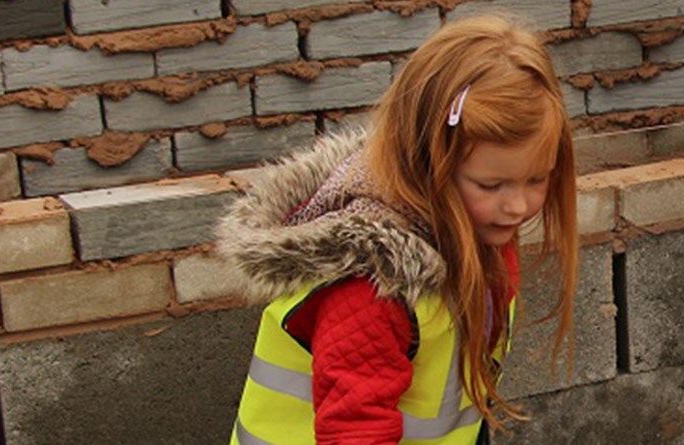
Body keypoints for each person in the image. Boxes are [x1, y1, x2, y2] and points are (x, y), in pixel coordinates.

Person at [217, 16, 581, 445]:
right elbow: (355, 432)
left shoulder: (478, 224)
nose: (518, 206)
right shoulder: (372, 289)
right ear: (427, 163)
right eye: (491, 185)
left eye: (538, 179)